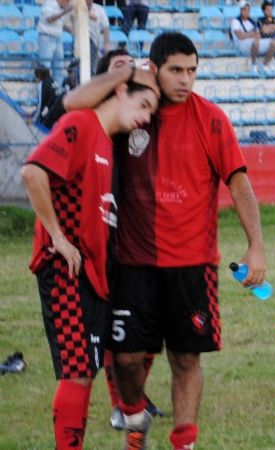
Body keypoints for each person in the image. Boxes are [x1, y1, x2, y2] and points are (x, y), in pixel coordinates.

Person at [64, 32, 267, 449]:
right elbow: (74, 103)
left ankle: (184, 442)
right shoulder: (134, 110)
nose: (185, 80)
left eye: (192, 71)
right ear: (154, 69)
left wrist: (256, 245)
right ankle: (135, 417)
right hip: (133, 263)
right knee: (126, 358)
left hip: (193, 265)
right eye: (176, 70)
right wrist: (127, 74)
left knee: (185, 358)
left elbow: (239, 182)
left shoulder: (211, 118)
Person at [20, 68, 159, 450]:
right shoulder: (81, 123)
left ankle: (133, 426)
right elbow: (32, 172)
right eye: (143, 105)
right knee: (78, 373)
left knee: (90, 369)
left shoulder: (107, 142)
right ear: (120, 91)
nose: (145, 117)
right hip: (66, 269)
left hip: (94, 273)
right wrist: (57, 237)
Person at [231, 0, 275, 73]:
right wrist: (252, 34)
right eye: (244, 9)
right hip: (241, 44)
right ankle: (253, 65)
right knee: (255, 42)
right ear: (240, 10)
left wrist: (251, 34)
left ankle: (264, 65)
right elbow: (240, 36)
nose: (246, 11)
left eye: (248, 10)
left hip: (253, 43)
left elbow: (258, 34)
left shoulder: (252, 21)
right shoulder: (235, 21)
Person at [66, 0, 110, 74]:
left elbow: (106, 26)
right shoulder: (76, 8)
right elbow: (67, 24)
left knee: (92, 65)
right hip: (79, 40)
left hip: (95, 40)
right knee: (82, 64)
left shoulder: (99, 9)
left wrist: (107, 43)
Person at [38, 0, 72, 87]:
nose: (68, 3)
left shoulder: (60, 8)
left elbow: (59, 23)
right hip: (47, 38)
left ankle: (58, 90)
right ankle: (44, 90)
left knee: (59, 66)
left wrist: (72, 31)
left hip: (57, 38)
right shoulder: (50, 3)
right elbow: (49, 19)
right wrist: (65, 12)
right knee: (45, 67)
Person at [257, 0, 275, 68]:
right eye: (268, 10)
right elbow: (265, 30)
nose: (270, 11)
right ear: (263, 11)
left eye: (271, 9)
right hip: (269, 40)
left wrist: (270, 27)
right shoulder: (260, 19)